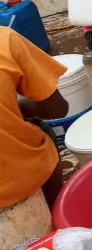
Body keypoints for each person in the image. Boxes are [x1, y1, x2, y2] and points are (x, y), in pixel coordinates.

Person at [0, 27, 68, 210]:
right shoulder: (5, 39)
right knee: (43, 130)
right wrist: (25, 107)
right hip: (14, 183)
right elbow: (58, 108)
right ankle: (56, 211)